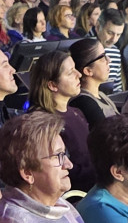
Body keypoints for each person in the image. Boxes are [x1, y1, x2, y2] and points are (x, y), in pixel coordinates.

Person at [0, 111, 93, 223]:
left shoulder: (63, 206)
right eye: (58, 156)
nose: (68, 164)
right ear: (27, 172)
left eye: (65, 154)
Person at [27, 51, 92, 191]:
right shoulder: (41, 121)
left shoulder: (76, 112)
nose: (79, 74)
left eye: (75, 68)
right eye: (70, 73)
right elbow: (61, 167)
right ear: (52, 85)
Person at [68, 38, 118, 129]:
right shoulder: (84, 102)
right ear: (88, 71)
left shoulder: (101, 95)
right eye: (102, 57)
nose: (109, 60)